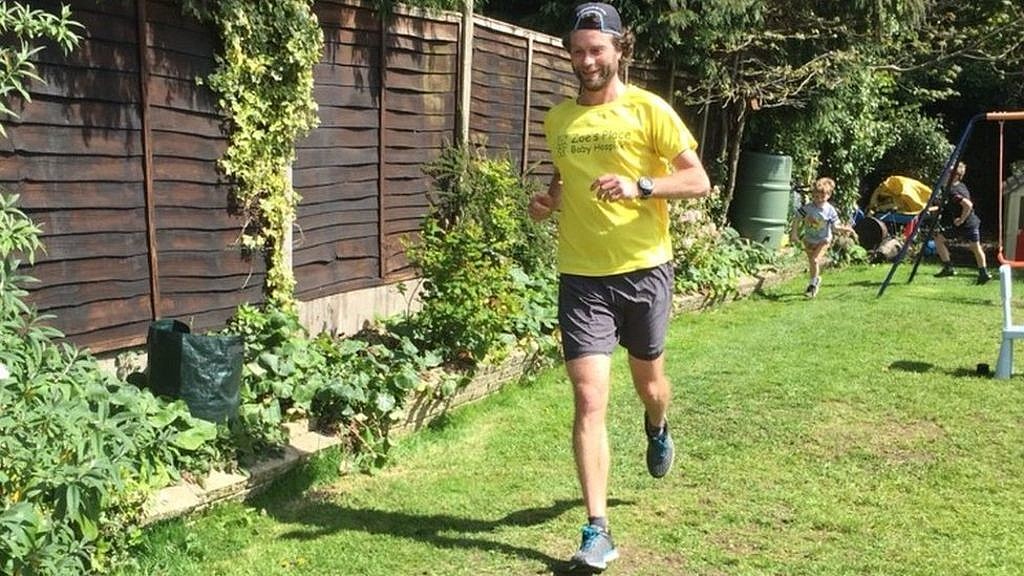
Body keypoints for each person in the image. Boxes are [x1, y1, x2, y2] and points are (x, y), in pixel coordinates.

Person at [527, 2, 711, 571]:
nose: (586, 60)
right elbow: (564, 177)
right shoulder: (559, 120)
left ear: (619, 50)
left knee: (650, 385)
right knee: (588, 399)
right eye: (578, 51)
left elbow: (698, 180)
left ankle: (657, 426)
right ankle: (597, 529)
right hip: (582, 276)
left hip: (644, 270)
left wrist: (641, 186)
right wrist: (550, 200)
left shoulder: (649, 109)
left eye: (596, 50)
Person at [789, 176, 853, 298]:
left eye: (822, 197)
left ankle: (812, 285)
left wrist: (844, 229)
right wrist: (794, 233)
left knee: (815, 260)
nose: (818, 200)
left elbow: (835, 227)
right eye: (816, 197)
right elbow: (797, 218)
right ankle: (815, 279)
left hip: (823, 240)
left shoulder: (830, 210)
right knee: (812, 263)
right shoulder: (808, 208)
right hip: (809, 240)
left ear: (828, 195)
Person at [932, 161, 991, 284]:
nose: (945, 175)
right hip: (969, 223)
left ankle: (949, 267)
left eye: (948, 173)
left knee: (939, 239)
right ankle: (983, 273)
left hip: (966, 224)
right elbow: (951, 205)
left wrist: (961, 219)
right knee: (975, 247)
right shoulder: (960, 186)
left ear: (956, 176)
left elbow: (968, 205)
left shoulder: (953, 190)